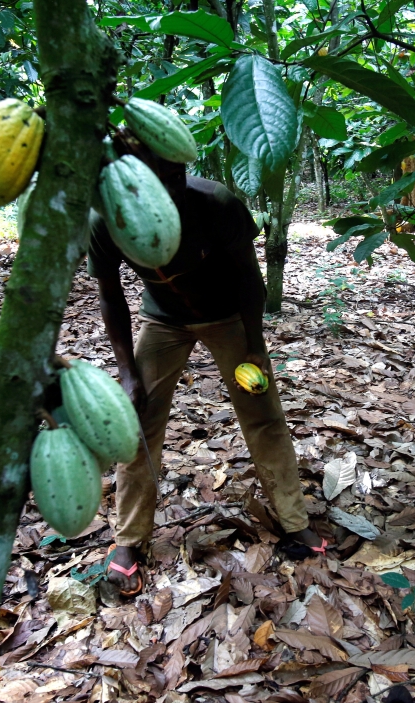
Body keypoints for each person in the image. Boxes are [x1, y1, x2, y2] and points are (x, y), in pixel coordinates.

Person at [89, 138, 325, 597]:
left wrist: (256, 348)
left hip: (227, 317)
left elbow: (248, 277)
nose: (173, 187)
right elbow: (110, 294)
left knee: (264, 416)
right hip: (162, 321)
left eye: (178, 175)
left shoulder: (216, 204)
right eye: (161, 179)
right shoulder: (107, 218)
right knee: (137, 423)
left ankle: (294, 521)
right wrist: (127, 373)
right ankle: (129, 541)